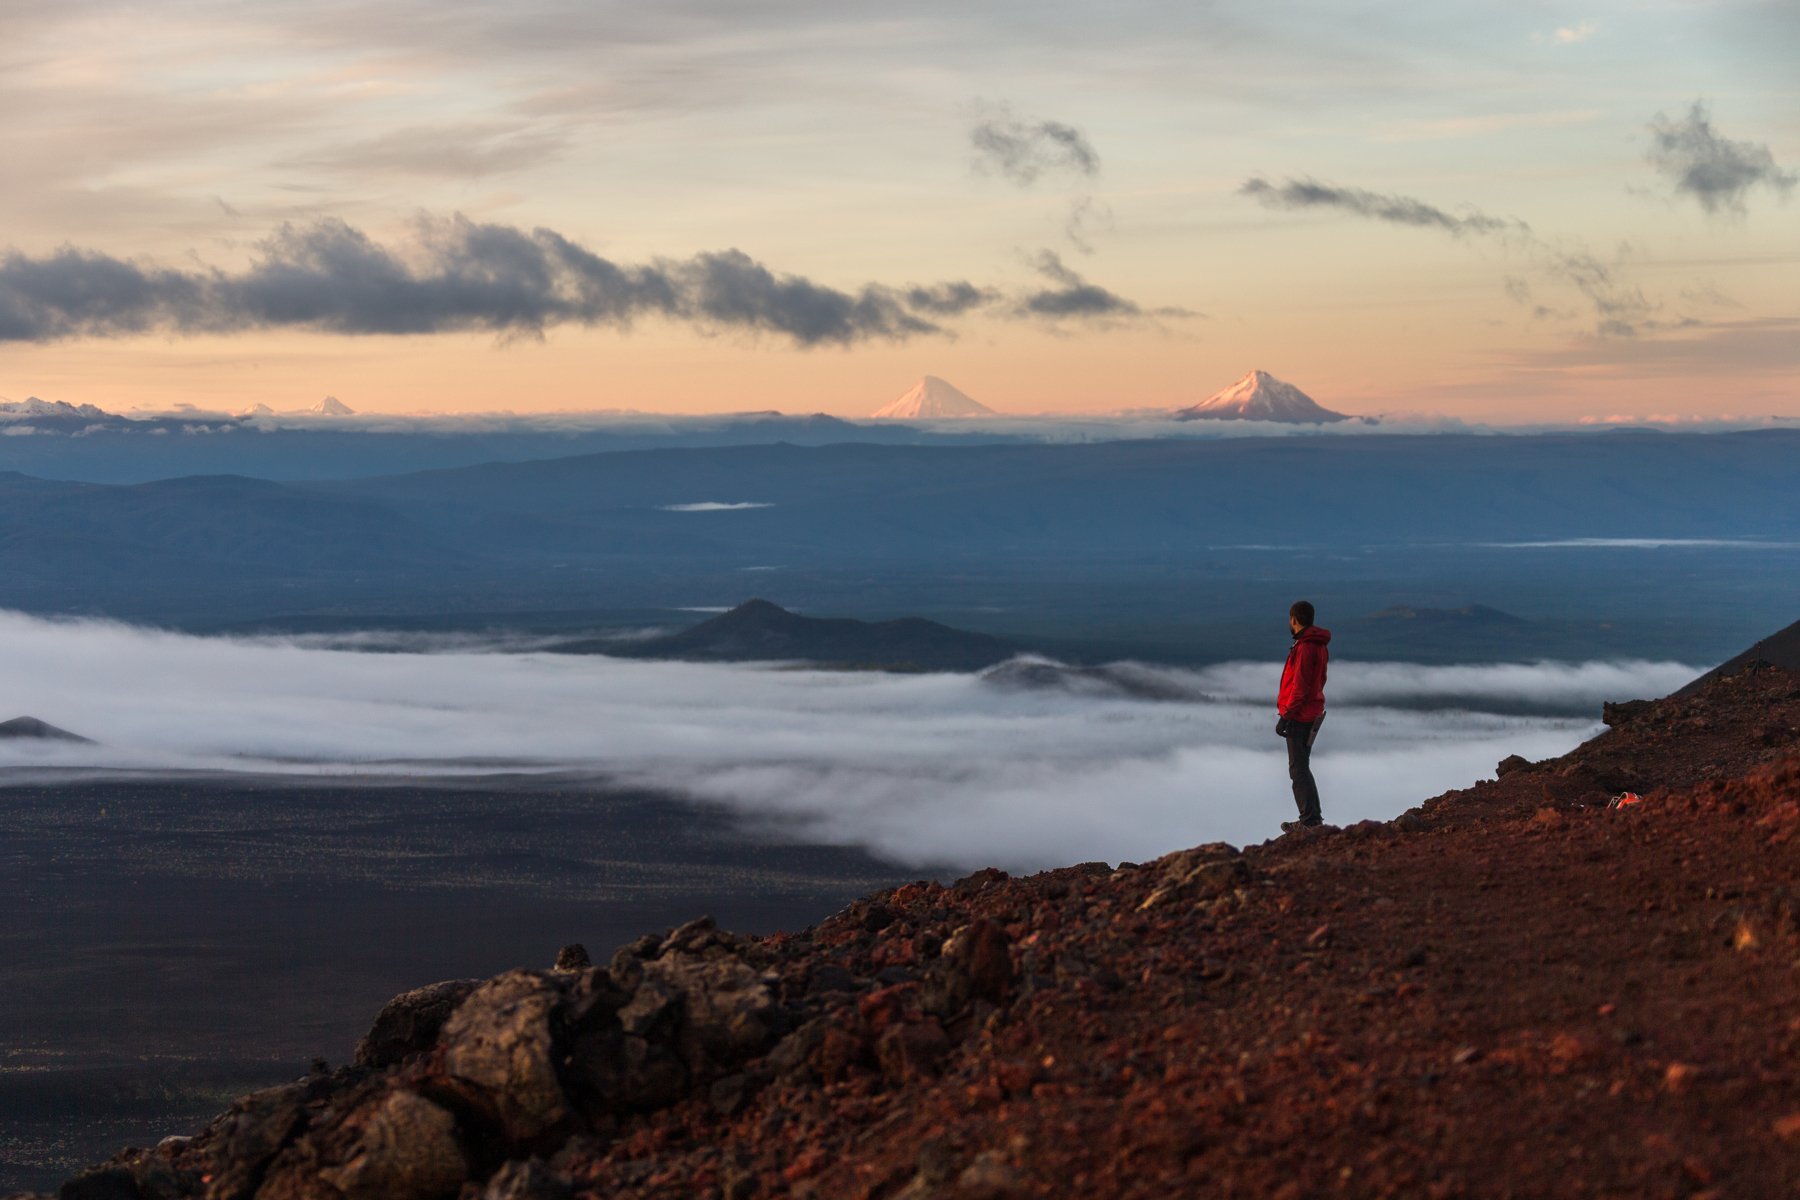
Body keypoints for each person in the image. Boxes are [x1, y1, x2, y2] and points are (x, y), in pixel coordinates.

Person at [1277, 600, 1330, 832]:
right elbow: (1320, 680)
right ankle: (1312, 817)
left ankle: (1310, 821)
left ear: (1294, 620)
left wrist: (1286, 716)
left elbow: (1299, 687)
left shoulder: (1305, 647)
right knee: (1301, 766)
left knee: (1297, 769)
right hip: (1312, 711)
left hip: (1300, 715)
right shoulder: (1318, 645)